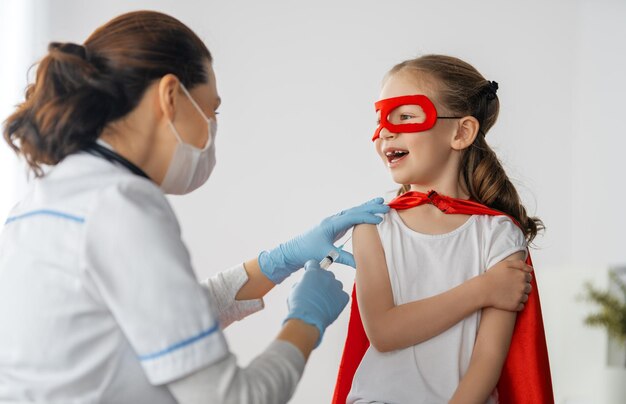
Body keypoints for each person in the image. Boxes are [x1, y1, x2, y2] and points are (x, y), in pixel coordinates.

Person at [0, 12, 534, 403]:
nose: (211, 130)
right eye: (210, 110)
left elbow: (165, 314)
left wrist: (275, 261)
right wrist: (305, 322)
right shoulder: (120, 207)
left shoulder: (53, 200)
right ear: (170, 97)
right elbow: (232, 397)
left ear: (463, 131)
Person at [334, 54, 552, 404]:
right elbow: (384, 332)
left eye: (405, 116)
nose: (386, 131)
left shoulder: (499, 235)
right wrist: (484, 290)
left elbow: (488, 361)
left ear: (461, 132)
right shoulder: (371, 226)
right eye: (381, 120)